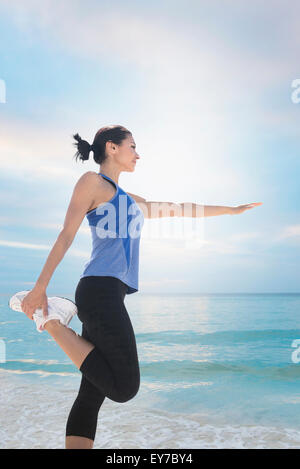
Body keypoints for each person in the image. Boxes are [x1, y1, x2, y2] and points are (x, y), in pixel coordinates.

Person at [20, 124, 263, 449]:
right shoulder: (93, 182)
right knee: (124, 388)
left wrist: (230, 210)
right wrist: (40, 287)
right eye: (132, 146)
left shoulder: (130, 200)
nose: (138, 153)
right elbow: (66, 234)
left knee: (90, 395)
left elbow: (180, 209)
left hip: (108, 292)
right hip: (99, 290)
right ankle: (51, 322)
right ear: (112, 147)